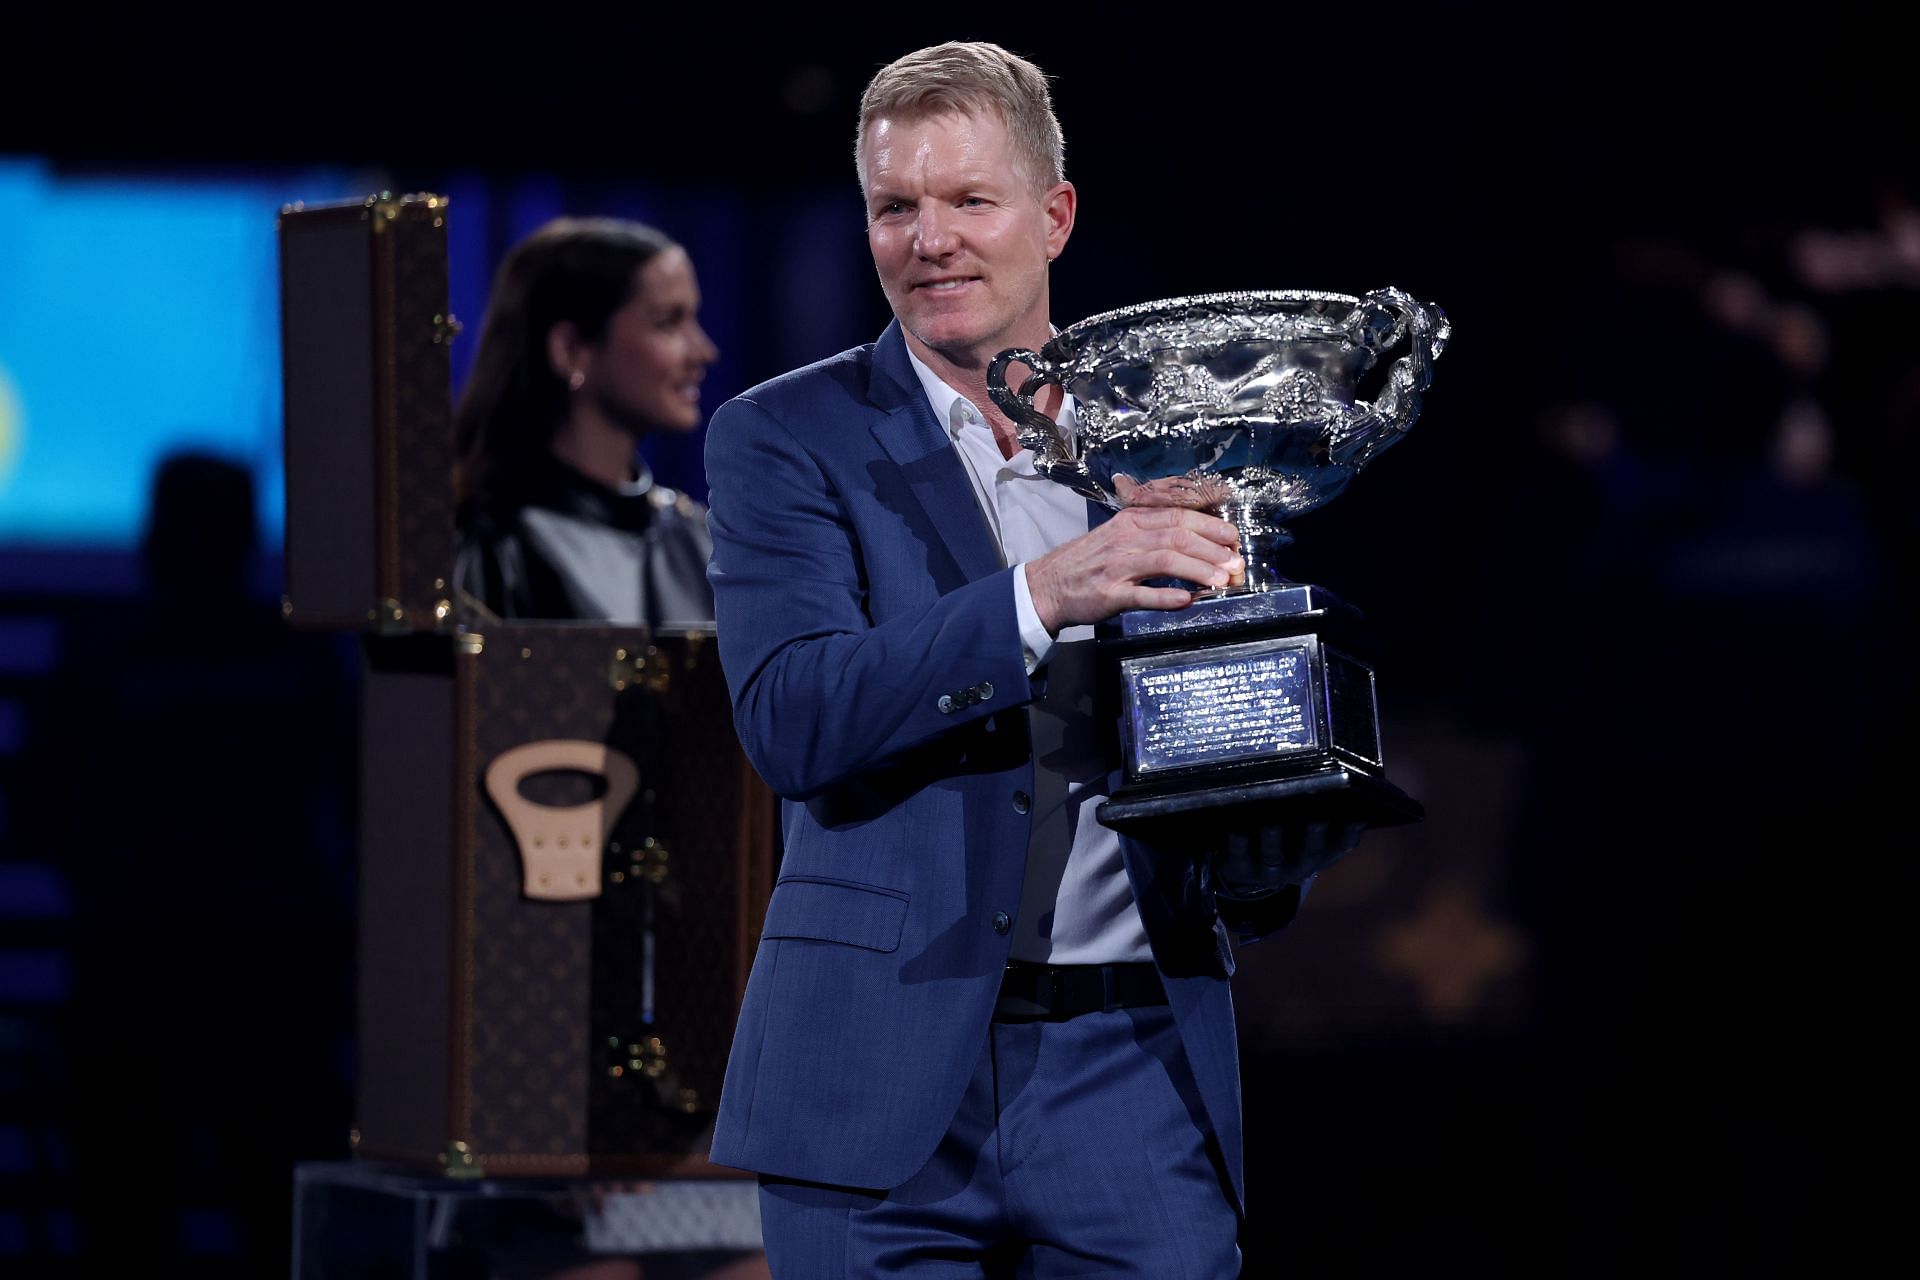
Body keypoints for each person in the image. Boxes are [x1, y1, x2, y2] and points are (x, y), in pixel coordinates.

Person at [702, 41, 1364, 1276]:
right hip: (876, 1075)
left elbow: (1214, 740)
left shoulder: (1165, 449)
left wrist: (1267, 853)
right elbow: (792, 717)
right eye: (895, 207)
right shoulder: (785, 437)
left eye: (968, 200)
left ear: (1053, 217)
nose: (930, 239)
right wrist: (1041, 592)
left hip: (1130, 1065)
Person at [453, 216, 719, 623]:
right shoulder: (487, 550)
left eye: (693, 320)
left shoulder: (697, 539)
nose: (703, 351)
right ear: (571, 349)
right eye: (668, 323)